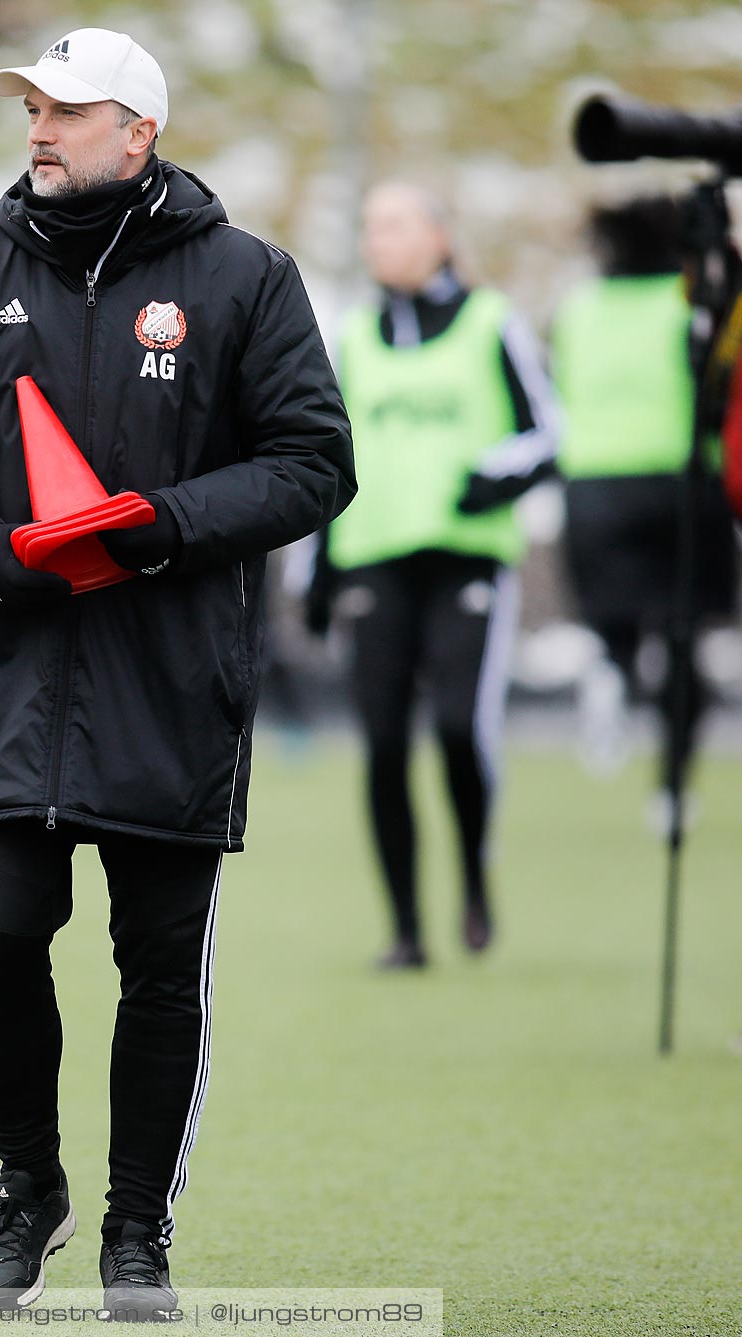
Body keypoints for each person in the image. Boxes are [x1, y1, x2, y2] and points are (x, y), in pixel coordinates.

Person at [0, 27, 353, 1319]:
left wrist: (161, 524)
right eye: (29, 105)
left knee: (158, 963)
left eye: (68, 110)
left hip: (169, 679)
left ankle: (138, 1230)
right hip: (1, 667)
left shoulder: (247, 280)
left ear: (140, 134)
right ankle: (30, 1184)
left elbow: (312, 462)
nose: (38, 128)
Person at [305, 183, 559, 970]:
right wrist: (313, 572)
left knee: (456, 728)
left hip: (467, 558)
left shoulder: (492, 322)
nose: (379, 240)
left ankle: (475, 875)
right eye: (371, 226)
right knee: (383, 743)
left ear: (439, 236)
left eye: (396, 224)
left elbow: (549, 430)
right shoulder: (354, 337)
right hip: (373, 559)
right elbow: (323, 455)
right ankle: (407, 928)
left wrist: (496, 477)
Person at [552, 196, 738, 793]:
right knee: (683, 638)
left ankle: (610, 669)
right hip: (680, 482)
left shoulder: (578, 309)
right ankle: (673, 785)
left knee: (614, 622)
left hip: (594, 484)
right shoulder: (685, 304)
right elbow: (717, 385)